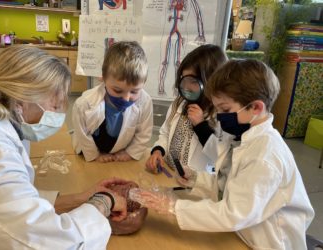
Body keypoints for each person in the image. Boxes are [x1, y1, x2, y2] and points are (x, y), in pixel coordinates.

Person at [0, 45, 129, 249]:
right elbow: (47, 241)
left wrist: (80, 198)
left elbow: (16, 200)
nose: (58, 114)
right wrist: (104, 201)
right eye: (55, 105)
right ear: (22, 99)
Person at [131, 59, 315, 249]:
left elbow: (233, 213)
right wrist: (196, 179)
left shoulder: (265, 156)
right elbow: (229, 181)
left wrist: (172, 207)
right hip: (243, 231)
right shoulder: (240, 136)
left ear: (256, 108)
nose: (219, 115)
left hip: (269, 241)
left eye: (225, 109)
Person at [146, 44, 227, 174]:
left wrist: (201, 126)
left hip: (195, 184)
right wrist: (158, 151)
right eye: (184, 80)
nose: (187, 87)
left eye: (193, 81)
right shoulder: (179, 103)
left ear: (211, 81)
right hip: (167, 172)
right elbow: (165, 133)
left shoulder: (221, 114)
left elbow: (221, 157)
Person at [71, 41, 153, 163]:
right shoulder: (84, 103)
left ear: (144, 83)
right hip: (91, 147)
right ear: (103, 78)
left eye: (134, 92)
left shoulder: (145, 102)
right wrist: (95, 155)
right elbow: (82, 133)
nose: (126, 98)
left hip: (120, 150)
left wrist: (130, 153)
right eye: (117, 90)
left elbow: (144, 133)